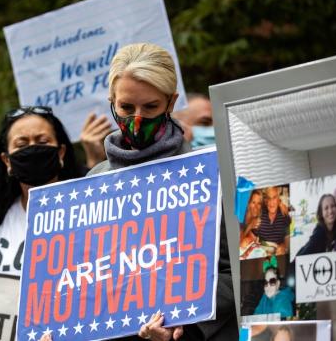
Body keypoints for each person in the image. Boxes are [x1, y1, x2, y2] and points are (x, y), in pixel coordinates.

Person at [87, 43, 237, 341]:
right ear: (112, 102)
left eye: (151, 107)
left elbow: (237, 270)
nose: (138, 118)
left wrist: (184, 322)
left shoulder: (211, 172)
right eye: (126, 108)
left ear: (171, 103)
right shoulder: (92, 181)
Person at [0, 106, 81, 273]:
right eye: (22, 144)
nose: (32, 149)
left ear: (61, 152)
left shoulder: (85, 212)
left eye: (43, 142)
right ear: (7, 161)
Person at [255, 186, 290, 255]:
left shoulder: (284, 213)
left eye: (274, 197)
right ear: (265, 200)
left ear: (278, 199)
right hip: (262, 253)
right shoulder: (260, 213)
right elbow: (255, 237)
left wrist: (283, 246)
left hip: (278, 253)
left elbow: (287, 238)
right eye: (269, 198)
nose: (271, 202)